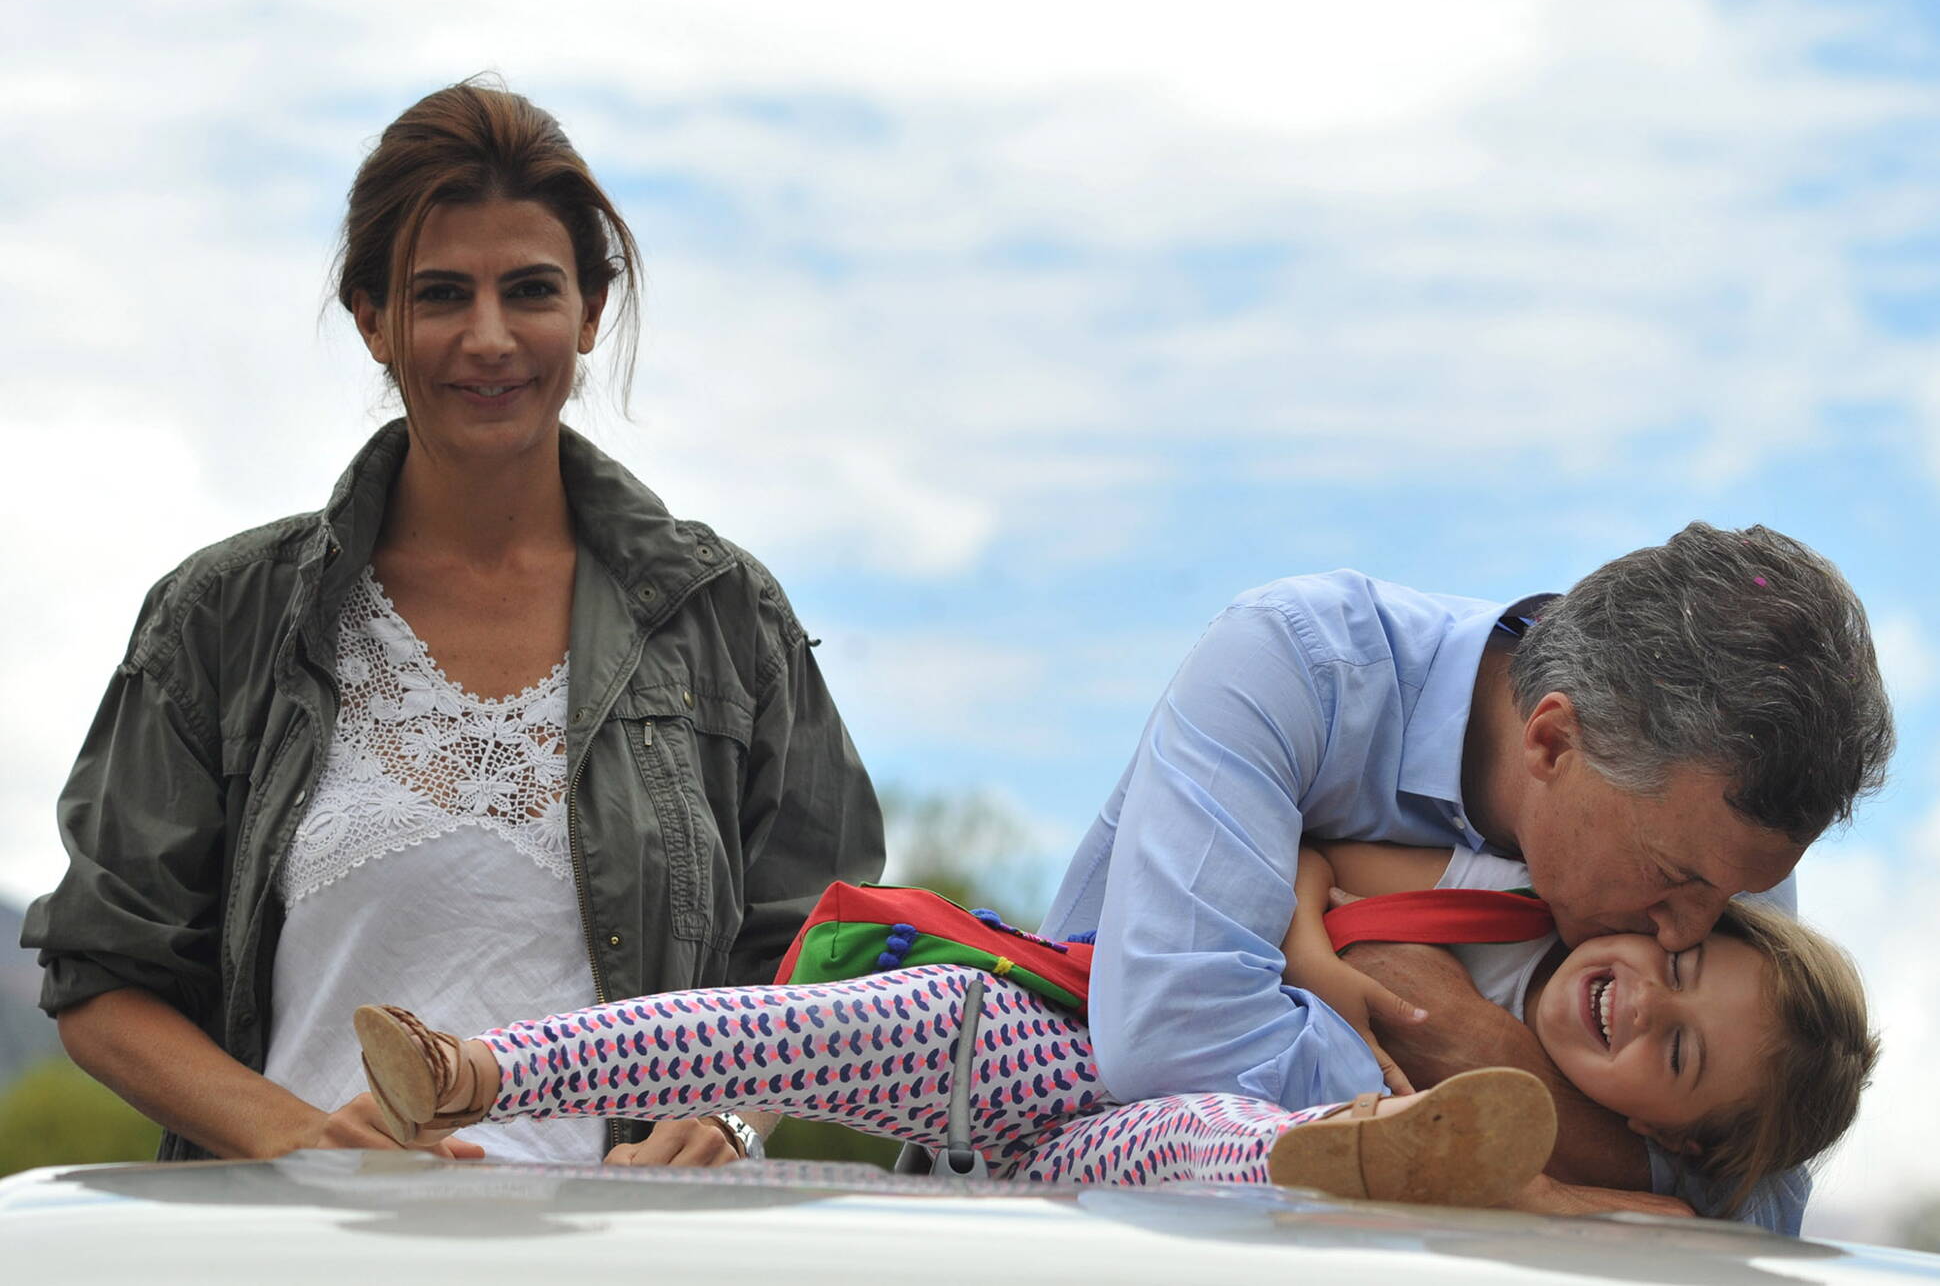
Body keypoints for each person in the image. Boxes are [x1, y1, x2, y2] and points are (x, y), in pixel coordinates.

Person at [21, 79, 883, 1167]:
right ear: (373, 320)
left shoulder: (725, 619)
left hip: (642, 1264)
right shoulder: (222, 619)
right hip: (308, 1261)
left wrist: (727, 1116)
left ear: (589, 311)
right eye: (439, 295)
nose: (488, 338)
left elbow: (835, 955)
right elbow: (104, 979)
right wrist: (302, 1139)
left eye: (528, 289)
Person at [1037, 530, 1893, 1230]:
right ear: (1553, 742)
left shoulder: (1714, 846)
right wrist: (1524, 1150)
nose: (1687, 933)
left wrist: (1476, 1046)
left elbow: (1757, 1201)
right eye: (1675, 882)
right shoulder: (1292, 668)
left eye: (1727, 899)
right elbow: (1170, 1040)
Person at [339, 830, 1871, 1214]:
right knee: (900, 1011)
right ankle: (478, 1069)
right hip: (1078, 1032)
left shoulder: (1628, 1189)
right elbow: (1315, 864)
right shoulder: (1500, 904)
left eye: (1678, 1053)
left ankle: (1362, 1154)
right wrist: (1336, 975)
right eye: (1682, 971)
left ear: (1683, 1133)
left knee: (1225, 1141)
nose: (1642, 1006)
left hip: (1134, 1134)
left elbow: (1656, 1216)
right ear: (1672, 921)